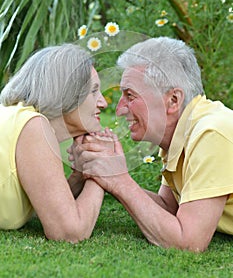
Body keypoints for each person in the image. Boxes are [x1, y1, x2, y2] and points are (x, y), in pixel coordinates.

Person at [73, 36, 233, 252]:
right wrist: (108, 175)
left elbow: (189, 242)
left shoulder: (211, 133)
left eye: (130, 96)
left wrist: (119, 179)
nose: (120, 109)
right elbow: (169, 208)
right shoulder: (183, 131)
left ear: (173, 101)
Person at [0, 43, 108, 243]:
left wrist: (79, 177)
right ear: (66, 92)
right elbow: (69, 232)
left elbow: (49, 203)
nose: (103, 102)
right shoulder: (33, 126)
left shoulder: (18, 118)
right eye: (94, 91)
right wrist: (102, 167)